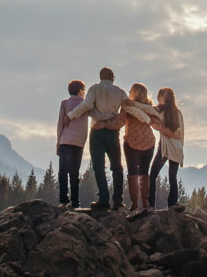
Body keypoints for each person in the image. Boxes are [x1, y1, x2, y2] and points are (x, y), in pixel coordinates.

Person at [65, 65, 127, 210]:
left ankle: (103, 200)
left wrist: (71, 115)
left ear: (100, 77)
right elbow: (128, 107)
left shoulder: (94, 89)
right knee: (117, 166)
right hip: (113, 132)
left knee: (98, 166)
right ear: (112, 78)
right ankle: (118, 201)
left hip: (97, 131)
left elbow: (87, 105)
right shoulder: (119, 91)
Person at [121, 83, 159, 213]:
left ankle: (134, 204)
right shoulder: (149, 107)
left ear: (135, 92)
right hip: (148, 141)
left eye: (131, 90)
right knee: (144, 172)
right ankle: (145, 203)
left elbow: (121, 120)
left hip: (132, 140)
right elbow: (155, 123)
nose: (129, 92)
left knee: (132, 172)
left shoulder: (128, 105)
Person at [55, 79, 89, 207]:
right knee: (75, 172)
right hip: (79, 143)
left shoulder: (64, 103)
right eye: (84, 90)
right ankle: (75, 201)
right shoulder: (86, 104)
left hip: (65, 140)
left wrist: (58, 141)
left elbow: (60, 124)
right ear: (80, 91)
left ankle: (63, 199)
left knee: (63, 171)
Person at [151, 87, 185, 209]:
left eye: (159, 96)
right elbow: (181, 136)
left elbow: (148, 110)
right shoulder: (178, 113)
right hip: (176, 148)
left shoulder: (161, 111)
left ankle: (150, 205)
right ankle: (172, 205)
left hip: (165, 147)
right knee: (172, 177)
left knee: (153, 174)